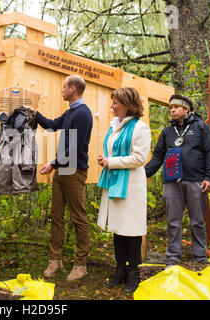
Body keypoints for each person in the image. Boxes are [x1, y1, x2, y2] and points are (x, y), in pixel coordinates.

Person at [25, 75, 93, 281]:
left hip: (73, 171)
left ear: (73, 89)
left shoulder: (83, 113)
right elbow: (53, 125)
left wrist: (53, 163)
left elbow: (75, 148)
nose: (61, 89)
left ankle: (81, 265)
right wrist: (36, 115)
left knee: (78, 218)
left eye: (64, 87)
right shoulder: (71, 111)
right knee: (56, 216)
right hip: (62, 171)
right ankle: (55, 260)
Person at [145, 94, 210, 267]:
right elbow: (157, 156)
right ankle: (173, 257)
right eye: (171, 108)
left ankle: (200, 257)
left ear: (186, 110)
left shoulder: (201, 127)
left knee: (197, 220)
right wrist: (144, 173)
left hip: (196, 180)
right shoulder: (168, 131)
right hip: (171, 181)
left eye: (176, 107)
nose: (172, 110)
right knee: (173, 221)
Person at [96, 87, 151, 292]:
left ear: (128, 105)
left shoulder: (140, 128)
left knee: (132, 230)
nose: (112, 106)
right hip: (114, 183)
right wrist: (105, 159)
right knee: (118, 230)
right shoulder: (114, 127)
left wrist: (111, 161)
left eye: (115, 102)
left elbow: (139, 158)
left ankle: (133, 274)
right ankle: (120, 270)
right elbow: (112, 151)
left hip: (131, 187)